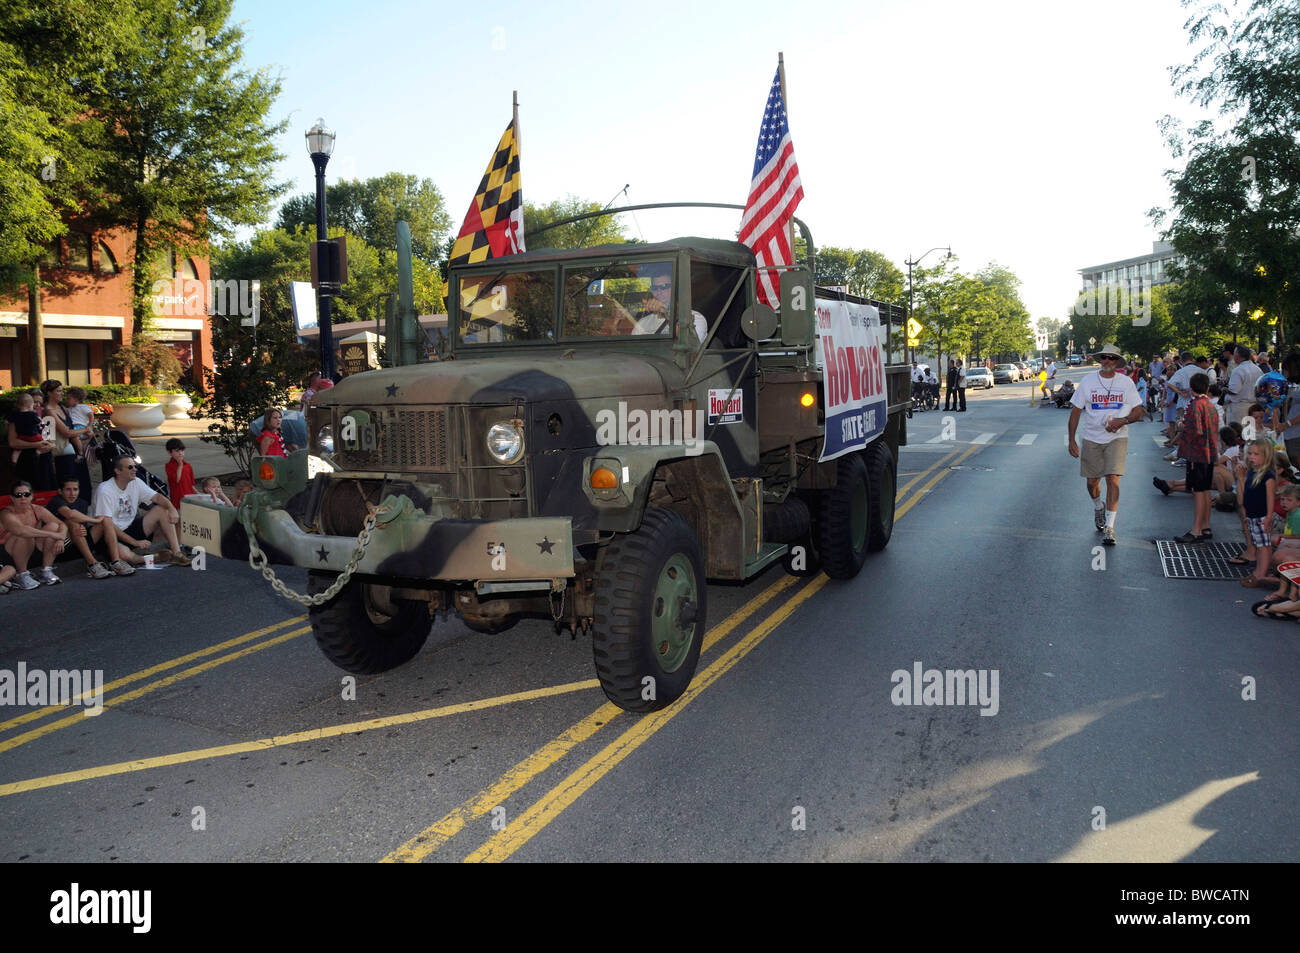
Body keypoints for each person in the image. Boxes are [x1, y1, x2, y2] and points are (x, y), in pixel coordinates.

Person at [1068, 343, 1143, 545]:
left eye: (1112, 358)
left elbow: (1138, 411)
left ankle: (1110, 527)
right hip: (1092, 437)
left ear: (1118, 361)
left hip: (1117, 438)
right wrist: (1071, 440)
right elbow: (1076, 410)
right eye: (1104, 358)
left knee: (1113, 478)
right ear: (1100, 360)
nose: (1107, 361)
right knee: (1093, 482)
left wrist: (1123, 421)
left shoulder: (1126, 383)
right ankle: (1098, 506)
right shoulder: (1088, 381)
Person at [92, 457, 188, 565]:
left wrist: (172, 508)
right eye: (130, 467)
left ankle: (176, 553)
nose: (135, 469)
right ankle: (143, 559)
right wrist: (135, 542)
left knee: (162, 510)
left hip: (130, 528)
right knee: (124, 554)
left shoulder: (136, 482)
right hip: (110, 534)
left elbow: (157, 497)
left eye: (135, 466)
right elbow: (106, 524)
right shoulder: (105, 490)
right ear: (117, 471)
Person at [45, 475, 136, 578]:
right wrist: (94, 520)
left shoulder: (82, 503)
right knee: (73, 522)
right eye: (68, 490)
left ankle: (116, 562)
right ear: (60, 491)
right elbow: (70, 514)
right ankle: (92, 564)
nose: (72, 493)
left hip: (79, 543)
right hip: (60, 546)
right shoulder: (56, 501)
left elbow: (82, 529)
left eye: (75, 489)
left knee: (105, 520)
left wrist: (84, 528)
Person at [1171, 373, 1218, 543]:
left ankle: (1196, 530)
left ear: (1191, 388)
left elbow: (1195, 429)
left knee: (1197, 492)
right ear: (1207, 387)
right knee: (1205, 490)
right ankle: (1205, 526)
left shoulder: (1196, 405)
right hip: (1209, 453)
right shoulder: (1210, 405)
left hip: (1197, 454)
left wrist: (1182, 425)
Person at [0, 479, 66, 587]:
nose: (23, 498)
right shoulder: (6, 513)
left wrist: (60, 538)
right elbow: (20, 531)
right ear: (12, 498)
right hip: (7, 553)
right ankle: (22, 575)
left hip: (29, 549)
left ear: (32, 496)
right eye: (18, 495)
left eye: (26, 494)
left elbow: (61, 524)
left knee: (53, 526)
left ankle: (46, 571)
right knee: (26, 533)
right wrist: (53, 535)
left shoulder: (37, 509)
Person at [1232, 437, 1277, 587]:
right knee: (1258, 545)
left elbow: (1270, 498)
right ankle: (1258, 570)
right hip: (1252, 515)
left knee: (1264, 547)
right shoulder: (1251, 472)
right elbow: (1247, 495)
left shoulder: (1268, 476)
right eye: (1250, 454)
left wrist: (1269, 517)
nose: (1251, 457)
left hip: (1262, 516)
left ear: (1266, 456)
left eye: (1256, 454)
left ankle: (1261, 574)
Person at [1225, 344, 1264, 428]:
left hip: (1239, 407)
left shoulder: (1238, 370)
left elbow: (1234, 390)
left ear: (1237, 355)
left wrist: (1224, 389)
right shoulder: (1257, 369)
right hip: (1253, 407)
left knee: (1238, 434)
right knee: (1250, 435)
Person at [7, 392, 48, 465]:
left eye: (40, 403)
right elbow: (13, 443)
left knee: (17, 450)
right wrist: (38, 444)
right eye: (35, 402)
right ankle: (38, 452)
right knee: (43, 441)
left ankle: (14, 460)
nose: (38, 405)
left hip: (22, 437)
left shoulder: (15, 415)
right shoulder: (32, 415)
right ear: (30, 404)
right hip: (27, 459)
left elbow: (7, 421)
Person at [164, 438, 196, 508]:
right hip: (178, 500)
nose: (180, 453)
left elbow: (191, 484)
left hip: (190, 498)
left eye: (182, 450)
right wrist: (180, 465)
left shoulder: (188, 466)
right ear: (170, 453)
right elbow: (177, 480)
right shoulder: (169, 466)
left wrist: (197, 493)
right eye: (177, 451)